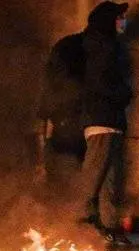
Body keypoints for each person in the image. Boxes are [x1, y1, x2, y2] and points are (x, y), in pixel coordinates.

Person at [78, 1, 133, 245]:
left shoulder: (106, 45)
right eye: (120, 17)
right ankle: (79, 227)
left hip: (109, 120)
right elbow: (100, 83)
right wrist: (123, 94)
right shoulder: (102, 47)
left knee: (110, 179)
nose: (123, 21)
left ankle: (109, 228)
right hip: (102, 119)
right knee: (93, 178)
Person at [35, 30, 88, 202]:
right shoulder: (65, 82)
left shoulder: (55, 80)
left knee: (62, 189)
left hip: (66, 138)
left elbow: (45, 115)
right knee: (69, 187)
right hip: (70, 139)